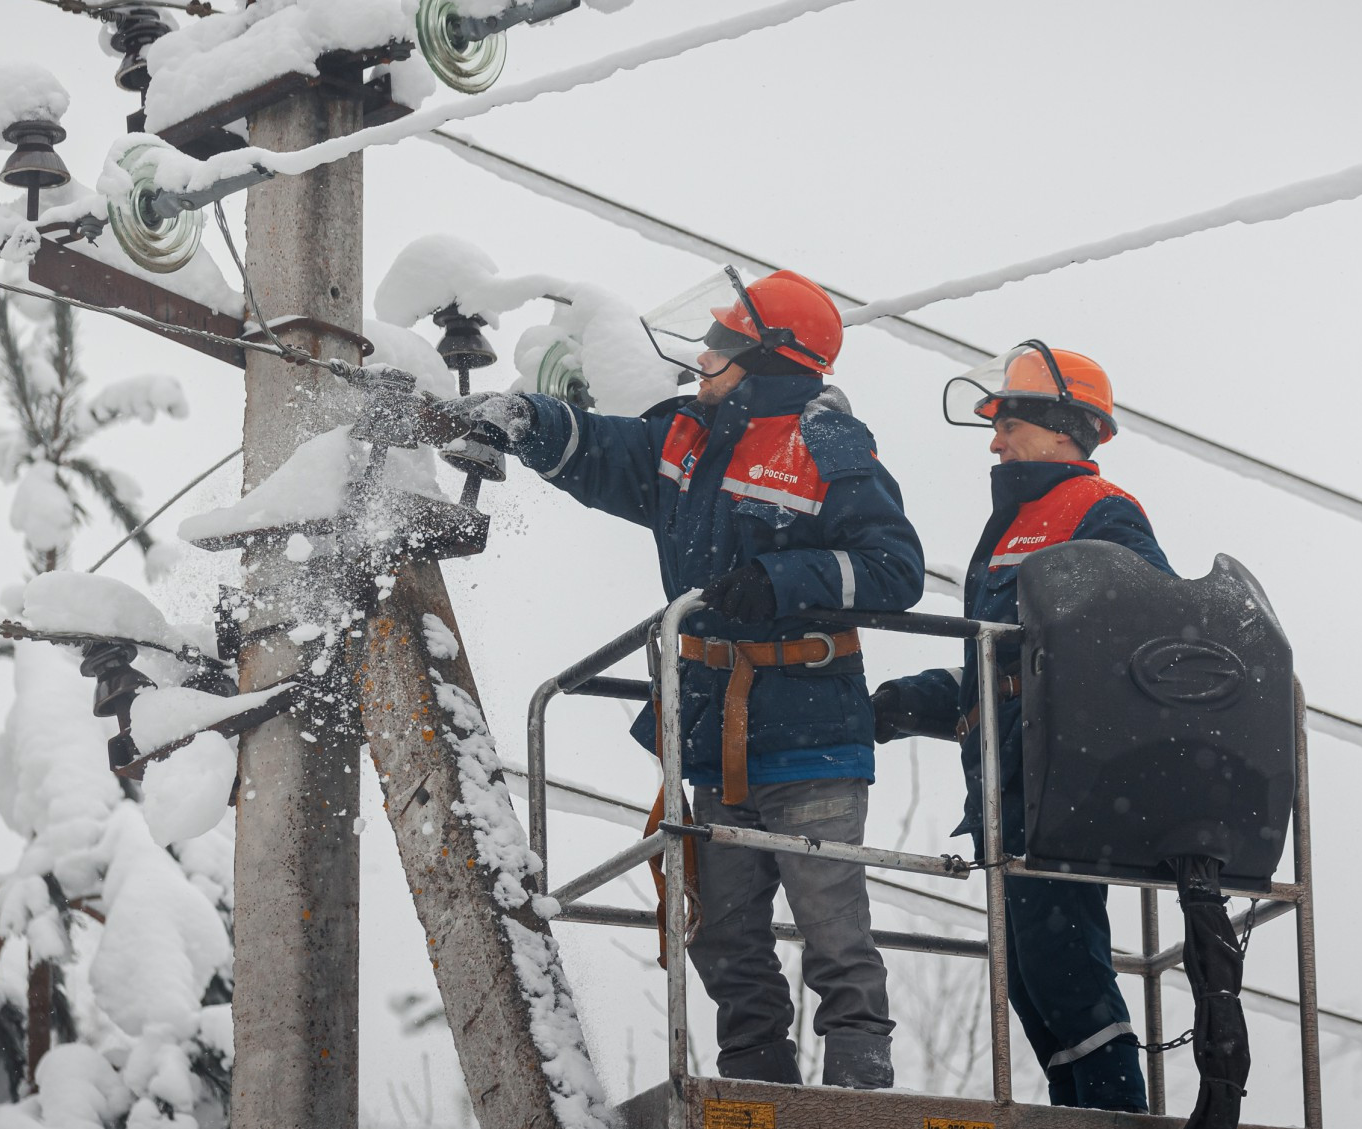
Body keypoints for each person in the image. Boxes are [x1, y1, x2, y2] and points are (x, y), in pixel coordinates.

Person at [441, 267, 924, 1090]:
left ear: (772, 359)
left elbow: (895, 568)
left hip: (809, 737)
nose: (704, 355)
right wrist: (528, 418)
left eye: (725, 343)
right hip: (717, 738)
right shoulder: (686, 440)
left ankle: (857, 1097)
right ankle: (759, 1089)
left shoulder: (826, 444)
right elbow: (603, 450)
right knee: (723, 937)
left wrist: (780, 583)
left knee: (834, 937)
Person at [870, 341, 1169, 1112]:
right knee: (1032, 979)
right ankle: (1080, 1108)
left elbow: (1152, 631)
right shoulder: (1009, 529)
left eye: (1007, 423)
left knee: (1064, 968)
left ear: (1064, 427)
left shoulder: (1102, 510)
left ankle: (1114, 1113)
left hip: (1059, 787)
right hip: (1008, 790)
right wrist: (908, 702)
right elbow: (996, 673)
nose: (996, 442)